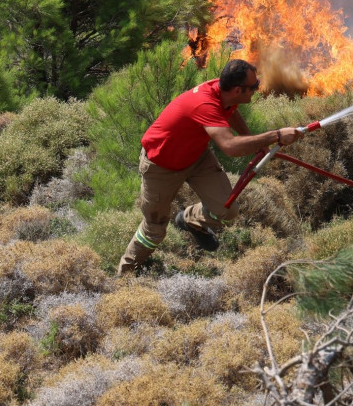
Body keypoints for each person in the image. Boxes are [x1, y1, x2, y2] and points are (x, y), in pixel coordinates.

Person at [117, 59, 304, 275]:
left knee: (226, 209)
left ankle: (189, 220)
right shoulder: (205, 104)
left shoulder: (224, 94)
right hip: (161, 165)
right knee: (154, 230)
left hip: (197, 158)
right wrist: (276, 135)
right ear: (237, 89)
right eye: (254, 86)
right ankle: (125, 275)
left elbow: (231, 111)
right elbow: (230, 147)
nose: (257, 88)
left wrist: (251, 140)